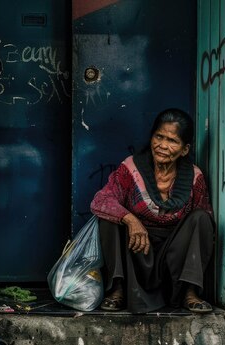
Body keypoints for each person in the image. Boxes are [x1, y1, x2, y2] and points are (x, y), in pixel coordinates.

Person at [90, 108, 214, 313]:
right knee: (109, 218)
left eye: (172, 141)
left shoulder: (194, 176)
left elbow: (204, 224)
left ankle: (189, 292)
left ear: (184, 149)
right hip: (137, 249)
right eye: (159, 137)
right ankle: (118, 289)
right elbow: (101, 201)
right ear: (151, 138)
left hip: (173, 256)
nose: (163, 145)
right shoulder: (131, 168)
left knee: (202, 219)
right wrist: (130, 219)